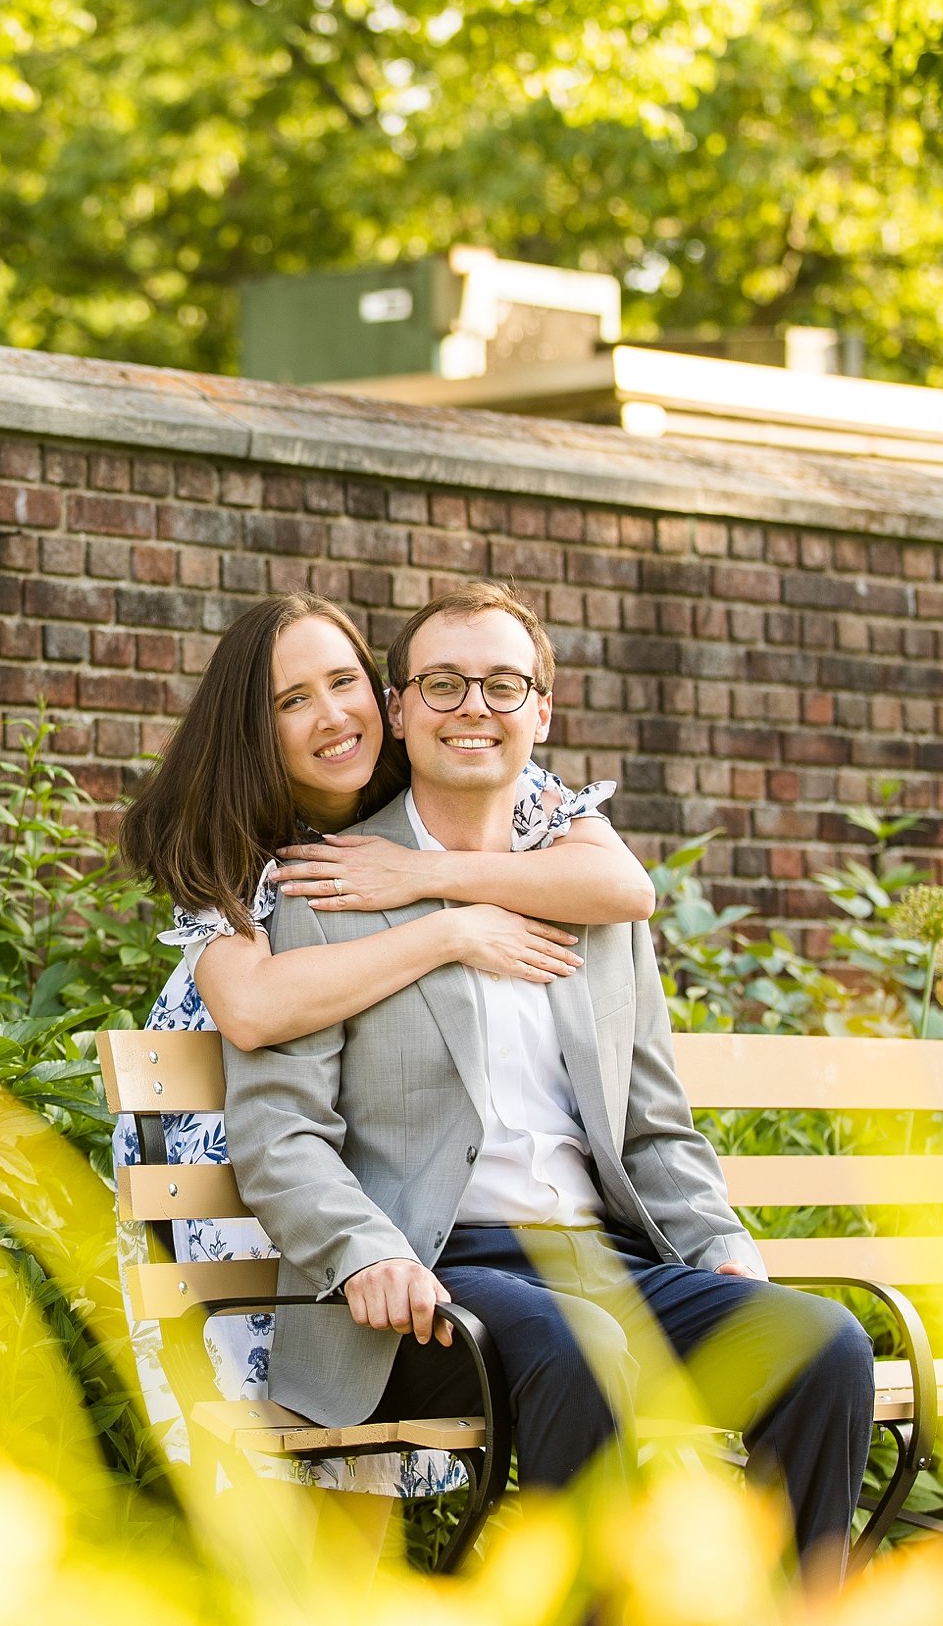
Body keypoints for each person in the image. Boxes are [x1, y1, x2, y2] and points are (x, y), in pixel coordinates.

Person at [222, 581, 875, 1575]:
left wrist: (717, 1238)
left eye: (501, 684)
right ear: (398, 711)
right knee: (582, 1352)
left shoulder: (587, 894)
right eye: (441, 683)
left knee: (822, 1342)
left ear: (542, 712)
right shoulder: (328, 885)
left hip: (603, 1260)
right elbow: (279, 1130)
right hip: (434, 1273)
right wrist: (362, 1254)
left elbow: (654, 1122)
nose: (472, 707)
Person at [114, 591, 655, 1491]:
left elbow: (622, 888)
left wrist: (427, 874)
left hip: (378, 1154)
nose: (332, 716)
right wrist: (448, 930)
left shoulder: (440, 796)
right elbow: (252, 1011)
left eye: (344, 682)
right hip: (249, 1162)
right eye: (292, 701)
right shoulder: (233, 842)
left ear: (386, 695)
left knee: (373, 1474)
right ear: (254, 729)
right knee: (323, 1466)